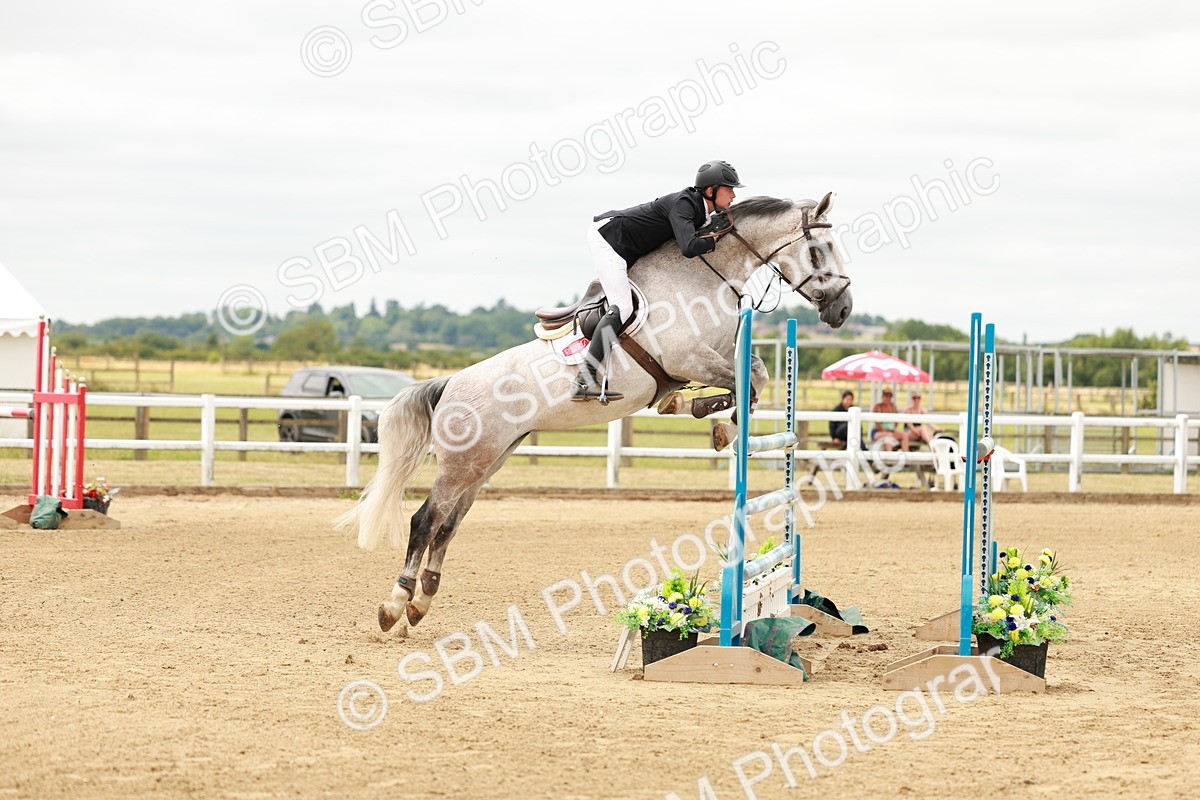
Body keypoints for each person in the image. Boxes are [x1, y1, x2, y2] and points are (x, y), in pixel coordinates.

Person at [572, 160, 744, 401]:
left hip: (628, 246)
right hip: (609, 239)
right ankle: (584, 379)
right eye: (729, 189)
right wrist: (713, 240)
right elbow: (689, 247)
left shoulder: (699, 210)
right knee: (622, 307)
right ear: (710, 190)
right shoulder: (685, 205)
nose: (734, 195)